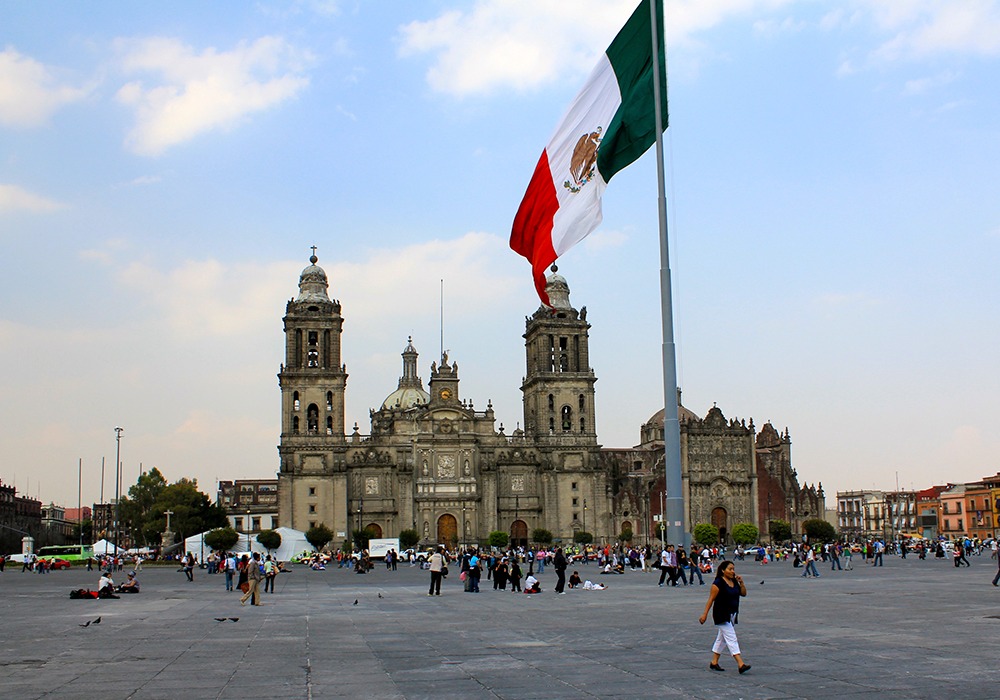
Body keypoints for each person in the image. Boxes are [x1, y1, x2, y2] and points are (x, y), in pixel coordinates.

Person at [699, 560, 750, 674]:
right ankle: (740, 663)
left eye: (733, 569)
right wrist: (704, 614)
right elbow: (711, 599)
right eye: (730, 569)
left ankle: (714, 662)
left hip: (732, 614)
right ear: (723, 570)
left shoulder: (734, 581)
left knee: (721, 639)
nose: (732, 571)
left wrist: (741, 583)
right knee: (731, 638)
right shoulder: (718, 583)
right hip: (721, 614)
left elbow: (743, 593)